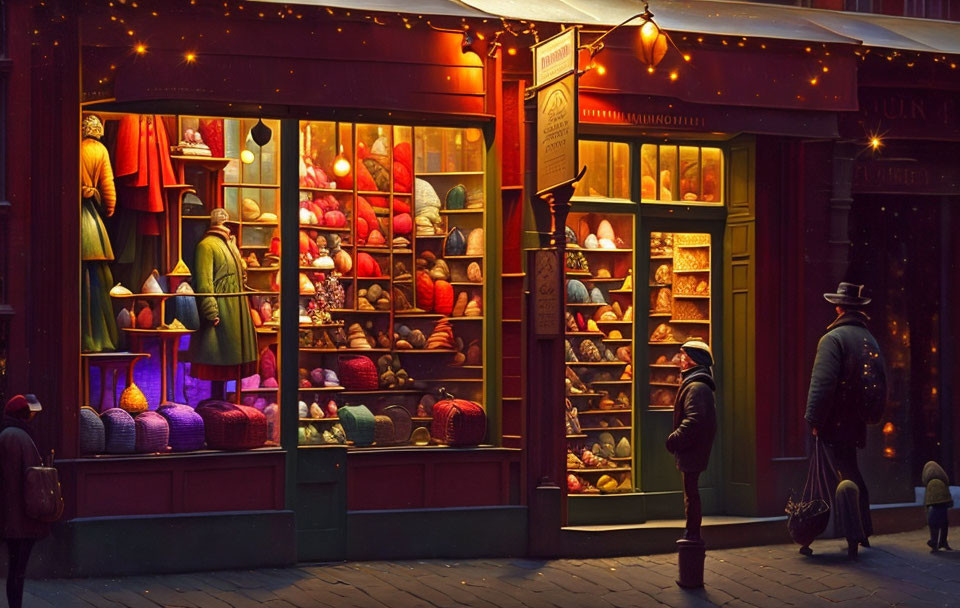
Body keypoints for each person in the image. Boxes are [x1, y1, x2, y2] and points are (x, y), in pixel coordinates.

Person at [804, 282, 885, 547]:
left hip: (834, 420)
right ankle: (862, 529)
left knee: (845, 474)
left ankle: (855, 531)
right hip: (855, 420)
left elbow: (822, 383)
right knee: (850, 470)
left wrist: (814, 419)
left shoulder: (833, 339)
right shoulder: (867, 338)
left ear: (839, 307)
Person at [0, 394, 50, 608]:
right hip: (21, 514)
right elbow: (32, 477)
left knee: (15, 568)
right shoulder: (17, 436)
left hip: (12, 513)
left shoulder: (9, 434)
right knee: (18, 570)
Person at [665, 340, 717, 541]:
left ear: (693, 359)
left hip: (692, 449)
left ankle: (692, 533)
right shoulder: (696, 384)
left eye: (683, 355)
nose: (680, 359)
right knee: (691, 491)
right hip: (693, 449)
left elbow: (694, 421)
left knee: (691, 493)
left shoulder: (696, 387)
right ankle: (692, 532)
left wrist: (674, 440)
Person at [922, 461, 952, 552]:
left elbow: (928, 501)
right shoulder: (942, 480)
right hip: (943, 504)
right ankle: (942, 542)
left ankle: (934, 543)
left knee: (933, 523)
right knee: (944, 523)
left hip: (934, 506)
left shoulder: (930, 482)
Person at [834, 480, 865, 559]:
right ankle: (854, 546)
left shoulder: (840, 488)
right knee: (854, 516)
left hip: (843, 489)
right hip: (850, 487)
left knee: (847, 519)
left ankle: (853, 548)